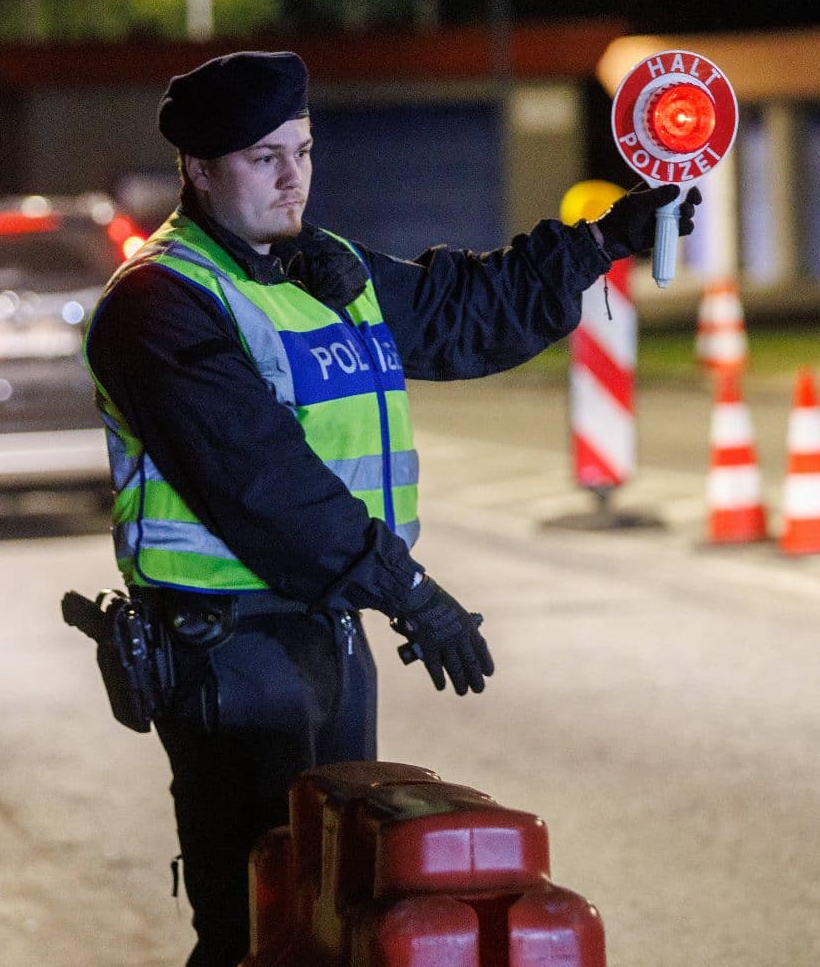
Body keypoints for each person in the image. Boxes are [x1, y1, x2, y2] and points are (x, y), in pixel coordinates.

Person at [82, 49, 699, 965]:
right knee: (255, 924)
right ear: (199, 170)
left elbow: (462, 311)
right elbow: (265, 486)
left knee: (338, 919)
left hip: (326, 634)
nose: (293, 178)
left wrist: (604, 239)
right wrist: (410, 591)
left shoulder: (317, 267)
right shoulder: (157, 303)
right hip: (228, 655)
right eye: (264, 158)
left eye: (303, 150)